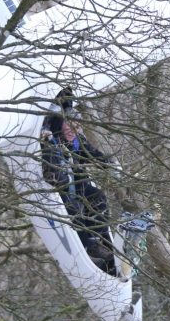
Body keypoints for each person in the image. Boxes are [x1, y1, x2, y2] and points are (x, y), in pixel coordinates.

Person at [40, 88, 119, 276]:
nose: (72, 129)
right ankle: (88, 246)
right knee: (73, 208)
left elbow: (90, 153)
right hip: (61, 188)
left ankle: (100, 238)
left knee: (96, 197)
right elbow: (52, 169)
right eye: (68, 125)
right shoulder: (54, 143)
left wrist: (110, 163)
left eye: (75, 125)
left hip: (78, 184)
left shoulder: (77, 140)